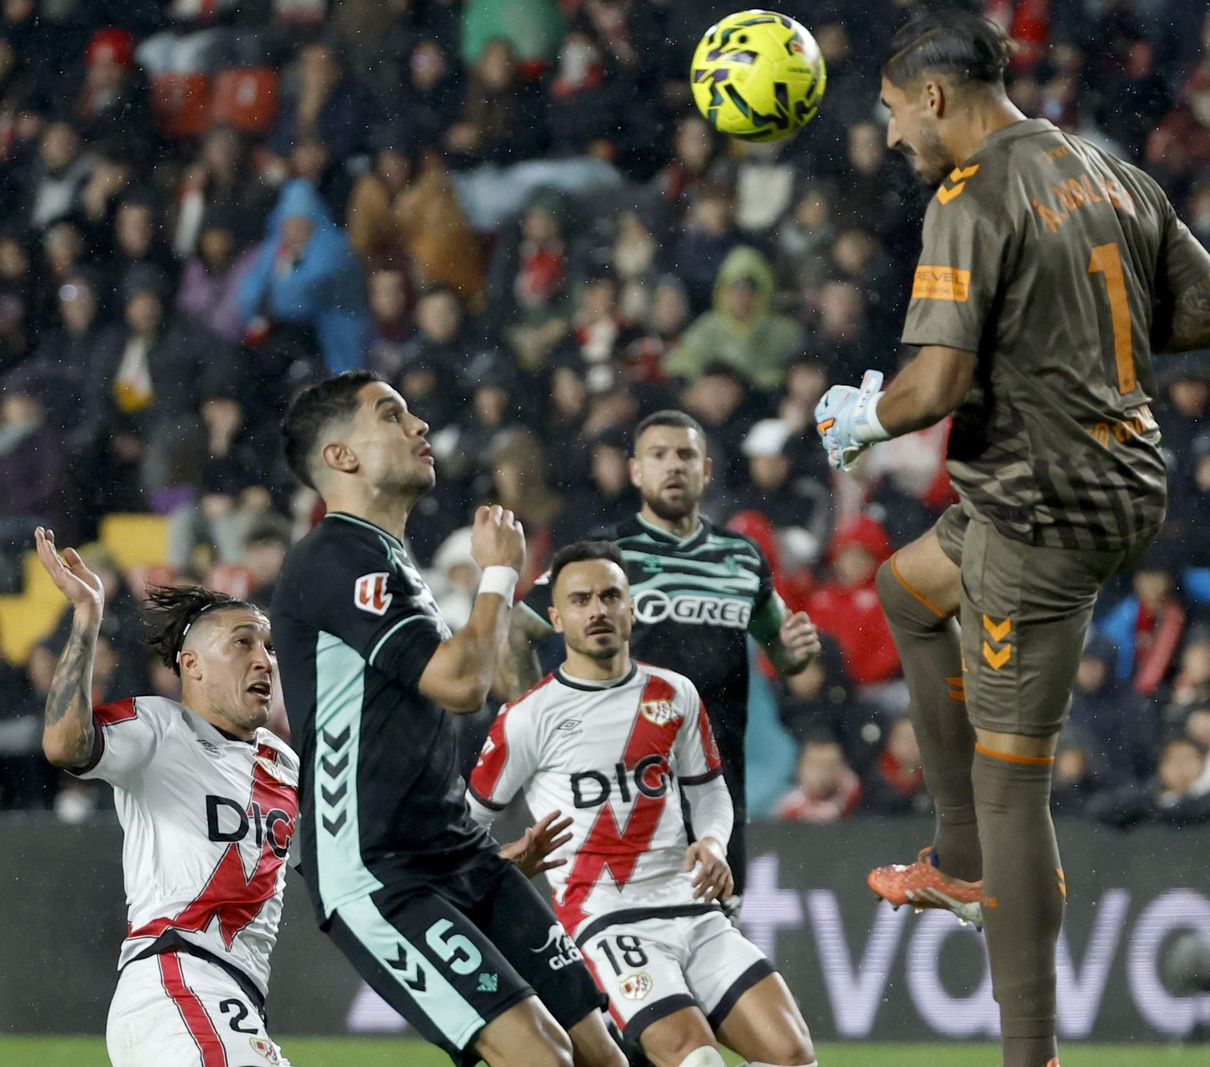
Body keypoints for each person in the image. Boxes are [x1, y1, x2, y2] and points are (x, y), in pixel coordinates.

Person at [820, 14, 1210, 1067]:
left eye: (888, 112)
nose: (888, 136)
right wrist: (1075, 339)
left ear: (933, 97)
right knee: (909, 588)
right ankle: (957, 857)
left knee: (1015, 780)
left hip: (1043, 505)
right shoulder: (1104, 170)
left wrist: (858, 419)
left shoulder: (968, 198)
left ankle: (1029, 1053)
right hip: (1094, 471)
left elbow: (933, 387)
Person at [270, 372, 624, 1067]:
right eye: (392, 415)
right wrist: (499, 575)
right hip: (378, 871)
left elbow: (459, 687)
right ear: (341, 457)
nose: (420, 425)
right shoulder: (336, 557)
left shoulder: (389, 560)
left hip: (458, 852)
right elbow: (463, 684)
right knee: (542, 1057)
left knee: (600, 1053)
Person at [467, 541, 816, 1067]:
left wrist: (713, 842)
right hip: (607, 919)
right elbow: (467, 821)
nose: (598, 610)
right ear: (557, 618)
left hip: (694, 907)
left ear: (632, 608)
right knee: (697, 1059)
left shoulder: (674, 693)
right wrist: (500, 865)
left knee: (793, 1055)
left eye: (610, 596)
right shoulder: (528, 717)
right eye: (581, 600)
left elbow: (708, 792)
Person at [501, 410, 822, 896]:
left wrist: (795, 653)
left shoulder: (742, 558)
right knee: (629, 942)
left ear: (706, 470)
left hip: (715, 784)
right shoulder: (605, 554)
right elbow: (517, 631)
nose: (673, 466)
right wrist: (539, 732)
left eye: (685, 455)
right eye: (658, 455)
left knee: (715, 934)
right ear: (635, 472)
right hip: (620, 783)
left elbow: (784, 655)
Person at [34, 528, 297, 1067]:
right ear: (192, 664)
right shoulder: (158, 727)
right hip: (177, 977)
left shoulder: (284, 762)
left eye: (268, 646)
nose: (265, 659)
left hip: (231, 995)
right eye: (243, 643)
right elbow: (64, 744)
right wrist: (87, 616)